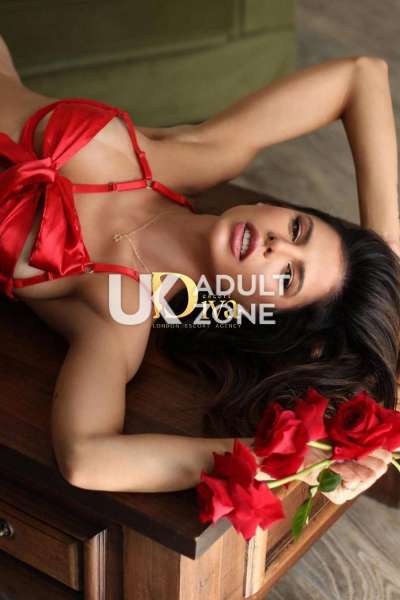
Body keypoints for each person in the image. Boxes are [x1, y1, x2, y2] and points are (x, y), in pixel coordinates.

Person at [0, 34, 398, 503]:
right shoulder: (196, 156)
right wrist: (388, 252)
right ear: (271, 206)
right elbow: (361, 74)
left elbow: (86, 457)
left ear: (259, 311)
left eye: (287, 277)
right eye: (297, 228)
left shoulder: (118, 308)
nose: (277, 246)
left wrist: (274, 458)